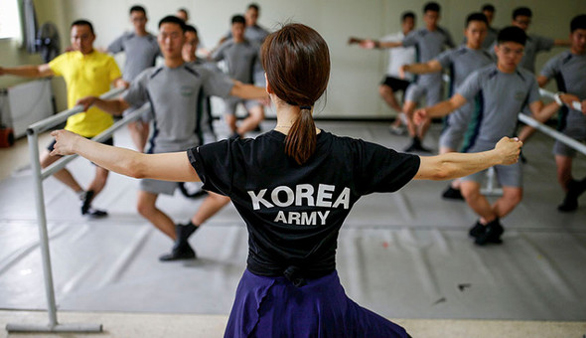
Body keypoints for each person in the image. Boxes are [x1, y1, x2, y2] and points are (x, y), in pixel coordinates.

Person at [50, 23, 522, 337]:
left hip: (259, 302)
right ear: (319, 89)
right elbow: (438, 167)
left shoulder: (241, 156)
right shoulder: (350, 155)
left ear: (269, 89)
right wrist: (496, 155)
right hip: (323, 302)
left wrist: (75, 143)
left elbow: (136, 165)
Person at [75, 16, 268, 261]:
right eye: (163, 35)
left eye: (174, 35)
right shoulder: (149, 76)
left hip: (193, 148)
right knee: (144, 206)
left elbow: (238, 89)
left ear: (183, 38)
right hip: (161, 149)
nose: (168, 40)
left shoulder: (199, 74)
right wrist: (96, 100)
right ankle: (180, 240)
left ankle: (189, 228)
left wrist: (273, 91)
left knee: (224, 194)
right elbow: (120, 105)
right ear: (158, 39)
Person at [414, 26, 544, 245]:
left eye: (518, 51)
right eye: (507, 50)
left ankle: (486, 223)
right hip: (478, 142)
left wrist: (561, 101)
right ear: (496, 49)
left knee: (514, 196)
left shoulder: (528, 79)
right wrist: (427, 111)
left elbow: (539, 113)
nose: (512, 56)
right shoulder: (482, 76)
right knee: (468, 190)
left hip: (509, 145)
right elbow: (453, 103)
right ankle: (491, 223)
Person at [0, 20, 122, 218]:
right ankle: (81, 194)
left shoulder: (106, 61)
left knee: (102, 177)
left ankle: (88, 200)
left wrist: (123, 84)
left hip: (101, 129)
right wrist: (6, 70)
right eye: (75, 37)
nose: (79, 41)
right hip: (74, 127)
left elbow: (119, 82)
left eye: (84, 36)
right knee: (45, 162)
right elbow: (37, 70)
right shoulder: (66, 59)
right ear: (71, 38)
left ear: (93, 37)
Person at [402, 12, 494, 200]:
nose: (478, 35)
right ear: (466, 32)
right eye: (474, 31)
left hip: (482, 114)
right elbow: (429, 66)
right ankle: (460, 182)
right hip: (456, 110)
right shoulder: (455, 54)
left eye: (482, 32)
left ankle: (460, 185)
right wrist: (409, 68)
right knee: (446, 150)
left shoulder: (491, 58)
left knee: (474, 149)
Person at [360, 2, 455, 153]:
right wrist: (377, 44)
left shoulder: (443, 34)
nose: (433, 20)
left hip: (436, 80)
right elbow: (398, 43)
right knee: (408, 109)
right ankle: (413, 137)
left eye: (436, 17)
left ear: (439, 17)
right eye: (430, 17)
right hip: (418, 78)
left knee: (430, 112)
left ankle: (419, 140)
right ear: (425, 17)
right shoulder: (418, 34)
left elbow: (453, 51)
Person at [534, 15, 586, 212]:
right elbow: (538, 84)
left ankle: (580, 188)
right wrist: (559, 97)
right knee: (563, 172)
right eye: (579, 36)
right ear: (571, 36)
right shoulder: (560, 61)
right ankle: (571, 193)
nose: (583, 41)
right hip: (569, 123)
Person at [347, 12, 417, 136]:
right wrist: (358, 41)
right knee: (383, 90)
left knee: (409, 105)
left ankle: (399, 125)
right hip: (394, 75)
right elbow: (376, 43)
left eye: (412, 23)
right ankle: (402, 115)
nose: (410, 26)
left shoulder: (418, 41)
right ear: (403, 24)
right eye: (408, 23)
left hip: (411, 77)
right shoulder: (394, 38)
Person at [510, 7, 571, 144]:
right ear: (513, 22)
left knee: (535, 117)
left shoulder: (533, 40)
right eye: (520, 22)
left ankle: (517, 146)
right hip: (506, 87)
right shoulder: (502, 41)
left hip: (526, 87)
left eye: (526, 23)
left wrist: (575, 42)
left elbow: (554, 42)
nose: (523, 26)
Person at [107, 5, 161, 152]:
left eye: (141, 19)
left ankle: (141, 151)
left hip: (147, 88)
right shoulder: (126, 38)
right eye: (135, 19)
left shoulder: (154, 41)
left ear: (146, 19)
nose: (139, 22)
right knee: (131, 122)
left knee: (144, 123)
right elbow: (106, 52)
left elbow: (170, 56)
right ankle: (140, 152)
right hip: (128, 88)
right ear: (131, 20)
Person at [210, 15, 265, 138]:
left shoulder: (253, 46)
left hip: (248, 89)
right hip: (231, 89)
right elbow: (211, 62)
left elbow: (259, 70)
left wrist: (262, 90)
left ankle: (237, 135)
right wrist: (223, 78)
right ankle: (238, 139)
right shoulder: (226, 46)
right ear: (232, 29)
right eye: (236, 28)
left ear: (245, 28)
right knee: (230, 123)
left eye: (241, 28)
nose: (239, 31)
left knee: (259, 115)